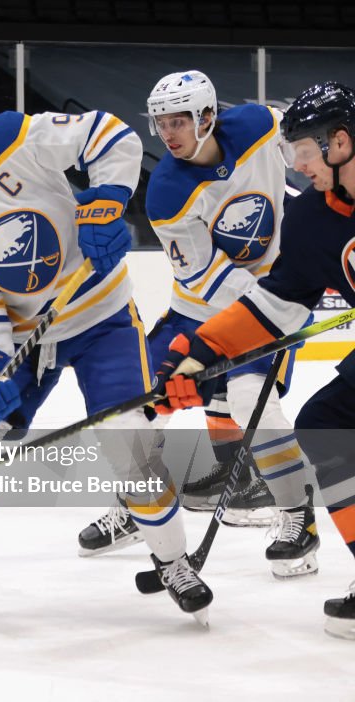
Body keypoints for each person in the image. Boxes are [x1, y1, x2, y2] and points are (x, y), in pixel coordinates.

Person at [0, 85, 212, 622]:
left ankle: (173, 560)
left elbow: (107, 135)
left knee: (128, 442)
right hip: (27, 338)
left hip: (101, 317)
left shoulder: (8, 136)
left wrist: (107, 202)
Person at [77, 70, 317, 581]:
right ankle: (141, 508)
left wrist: (317, 210)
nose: (168, 133)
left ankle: (298, 515)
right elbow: (208, 277)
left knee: (255, 399)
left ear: (208, 116)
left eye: (179, 120)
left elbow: (302, 144)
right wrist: (276, 298)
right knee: (138, 406)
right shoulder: (166, 190)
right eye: (160, 122)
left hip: (272, 298)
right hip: (201, 308)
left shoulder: (254, 124)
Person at [153, 81, 355, 639]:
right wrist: (202, 352)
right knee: (325, 423)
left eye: (306, 154)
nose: (296, 166)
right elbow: (277, 300)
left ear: (340, 143)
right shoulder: (314, 220)